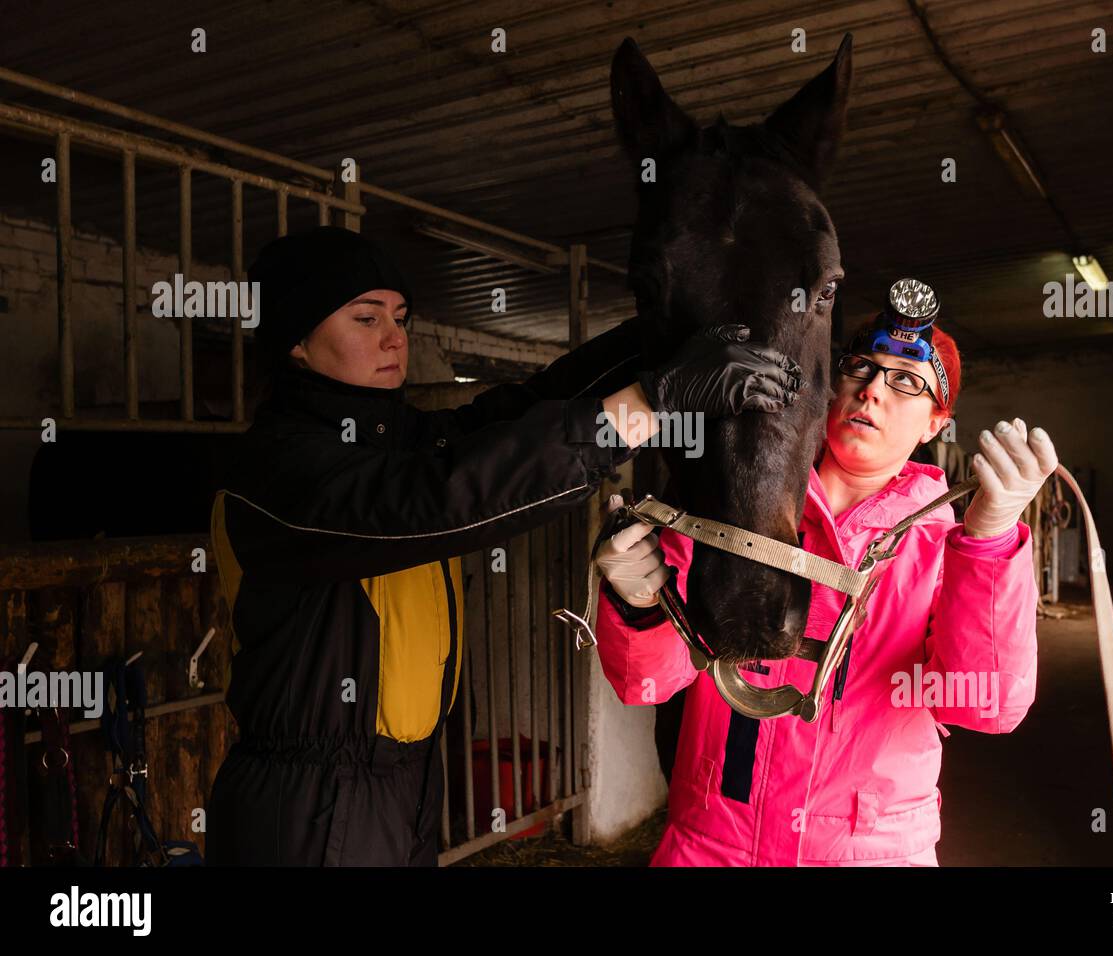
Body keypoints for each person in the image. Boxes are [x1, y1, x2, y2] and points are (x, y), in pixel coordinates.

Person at [205, 226, 803, 866]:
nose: (394, 337)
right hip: (305, 808)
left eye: (400, 317)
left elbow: (523, 411)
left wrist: (659, 339)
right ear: (295, 341)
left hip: (405, 784)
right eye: (364, 317)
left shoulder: (398, 441)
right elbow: (444, 497)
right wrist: (651, 403)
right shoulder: (274, 473)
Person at [593, 278, 1058, 866]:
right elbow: (648, 681)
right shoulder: (737, 510)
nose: (872, 393)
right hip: (713, 844)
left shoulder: (946, 552)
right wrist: (637, 601)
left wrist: (989, 543)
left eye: (907, 382)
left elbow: (987, 707)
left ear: (936, 423)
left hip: (871, 852)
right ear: (830, 385)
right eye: (859, 369)